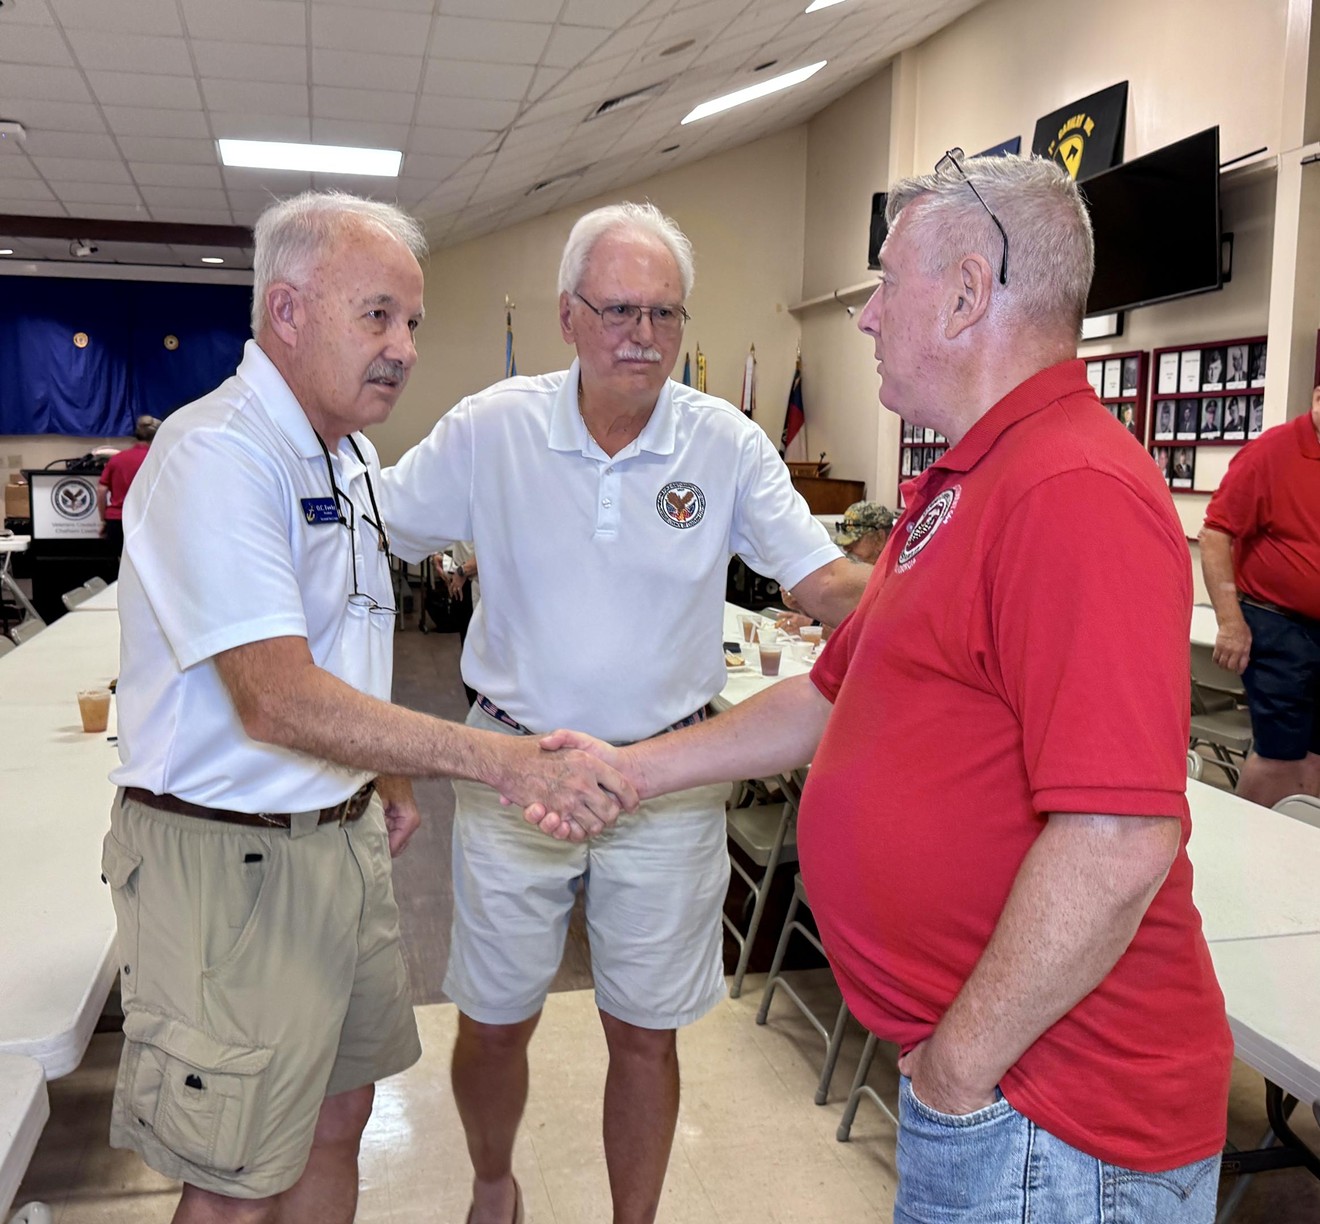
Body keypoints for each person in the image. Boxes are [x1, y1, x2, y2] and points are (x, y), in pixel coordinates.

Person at [533, 155, 1232, 1223]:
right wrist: (629, 769)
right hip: (993, 1089)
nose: (864, 320)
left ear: (964, 294)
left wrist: (960, 1066)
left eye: (884, 284)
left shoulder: (1072, 490)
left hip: (1051, 1117)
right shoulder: (962, 483)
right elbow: (825, 699)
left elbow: (1117, 840)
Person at [104, 192, 636, 1224]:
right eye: (378, 316)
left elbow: (346, 636)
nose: (402, 347)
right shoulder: (219, 455)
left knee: (339, 1117)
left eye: (413, 323)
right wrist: (500, 761)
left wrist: (383, 767)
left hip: (335, 844)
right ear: (288, 311)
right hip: (226, 863)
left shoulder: (343, 456)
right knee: (233, 1178)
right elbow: (275, 697)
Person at [378, 200, 868, 1224]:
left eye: (664, 315)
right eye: (618, 311)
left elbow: (823, 584)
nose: (642, 337)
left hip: (667, 780)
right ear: (568, 316)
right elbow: (371, 525)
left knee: (645, 1030)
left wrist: (958, 593)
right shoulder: (494, 426)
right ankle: (492, 1182)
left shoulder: (724, 443)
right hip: (518, 769)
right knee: (496, 1019)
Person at [1199, 386, 1320, 809]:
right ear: (1318, 398)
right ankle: (1247, 846)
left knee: (1315, 755)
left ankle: (1300, 849)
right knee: (1279, 756)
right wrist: (1230, 622)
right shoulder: (1272, 452)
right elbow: (1215, 535)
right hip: (1276, 624)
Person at [776, 500, 894, 632]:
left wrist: (812, 625)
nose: (846, 548)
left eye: (856, 541)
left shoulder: (892, 580)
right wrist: (802, 605)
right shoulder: (859, 576)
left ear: (880, 538)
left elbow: (862, 637)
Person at [97, 414, 160, 556]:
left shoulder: (117, 459)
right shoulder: (157, 460)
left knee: (119, 567)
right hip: (146, 521)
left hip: (117, 521)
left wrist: (104, 520)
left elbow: (101, 491)